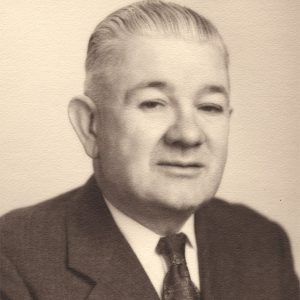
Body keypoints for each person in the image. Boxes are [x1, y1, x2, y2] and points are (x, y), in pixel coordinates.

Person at [0, 1, 299, 299]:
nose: (188, 134)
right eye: (153, 103)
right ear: (90, 125)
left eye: (210, 107)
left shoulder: (262, 243)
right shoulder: (13, 258)